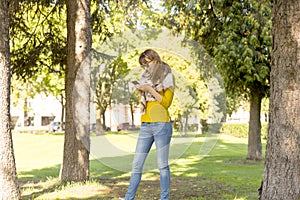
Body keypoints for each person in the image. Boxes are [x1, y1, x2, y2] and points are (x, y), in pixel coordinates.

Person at [122, 49, 175, 200]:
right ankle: (128, 198)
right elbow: (145, 102)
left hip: (162, 125)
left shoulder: (167, 77)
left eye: (148, 63)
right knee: (137, 164)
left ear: (156, 60)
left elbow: (166, 103)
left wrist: (149, 89)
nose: (146, 68)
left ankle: (164, 198)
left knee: (162, 165)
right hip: (146, 124)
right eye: (143, 65)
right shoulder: (145, 78)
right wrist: (141, 91)